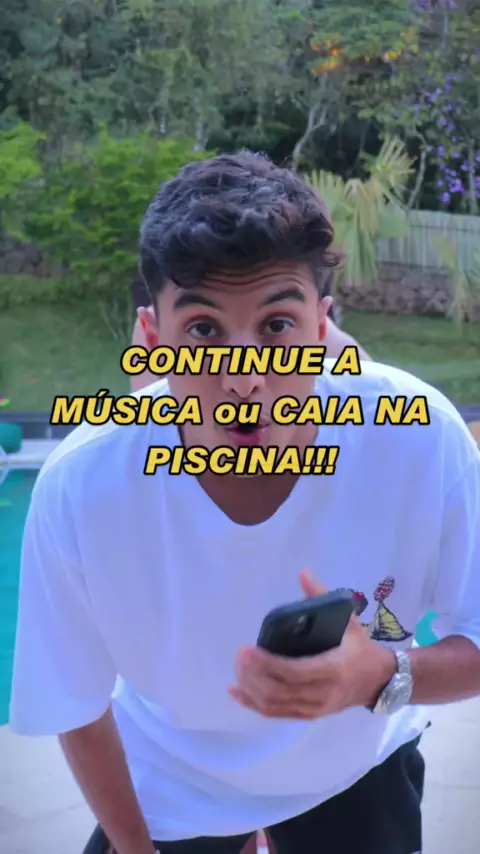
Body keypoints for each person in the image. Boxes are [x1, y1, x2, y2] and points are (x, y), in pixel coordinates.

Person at [9, 152, 480, 854]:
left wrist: (383, 674)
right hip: (171, 782)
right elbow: (76, 706)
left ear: (321, 330)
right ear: (153, 341)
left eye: (277, 326)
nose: (244, 377)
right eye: (203, 331)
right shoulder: (83, 486)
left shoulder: (419, 436)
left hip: (352, 767)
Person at [129, 275, 371, 393]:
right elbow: (146, 425)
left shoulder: (332, 344)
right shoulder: (156, 328)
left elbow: (373, 401)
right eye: (203, 329)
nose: (244, 382)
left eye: (276, 326)